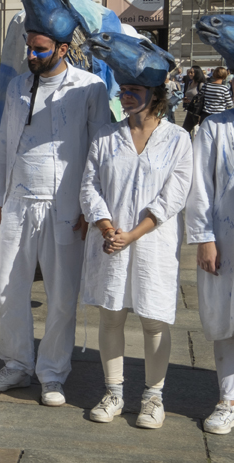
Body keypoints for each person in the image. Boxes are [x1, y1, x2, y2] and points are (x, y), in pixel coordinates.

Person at [0, 0, 109, 406]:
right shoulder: (19, 87)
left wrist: (91, 208)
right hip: (18, 204)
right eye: (29, 48)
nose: (31, 55)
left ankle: (53, 373)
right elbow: (6, 149)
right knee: (6, 290)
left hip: (66, 208)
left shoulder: (90, 88)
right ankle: (17, 363)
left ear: (61, 47)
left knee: (60, 297)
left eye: (39, 49)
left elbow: (99, 152)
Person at [79, 32, 191, 429]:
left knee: (154, 319)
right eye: (123, 89)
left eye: (135, 89)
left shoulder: (177, 139)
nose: (126, 96)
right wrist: (108, 226)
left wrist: (135, 233)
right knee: (111, 315)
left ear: (154, 94)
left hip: (153, 243)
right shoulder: (106, 136)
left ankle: (153, 397)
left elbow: (174, 194)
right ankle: (113, 392)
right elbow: (89, 185)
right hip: (111, 240)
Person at [186, 14, 234, 436]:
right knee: (229, 322)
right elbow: (199, 188)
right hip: (230, 242)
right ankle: (228, 400)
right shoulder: (214, 129)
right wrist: (203, 238)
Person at [182, 66, 205, 134]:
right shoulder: (190, 83)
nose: (189, 74)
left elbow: (203, 99)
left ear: (197, 73)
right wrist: (186, 99)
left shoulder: (201, 84)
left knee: (198, 132)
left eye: (192, 72)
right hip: (190, 110)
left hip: (198, 113)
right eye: (189, 72)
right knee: (185, 131)